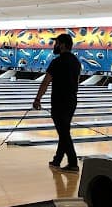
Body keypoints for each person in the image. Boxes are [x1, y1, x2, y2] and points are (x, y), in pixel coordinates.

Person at [32, 33, 81, 172]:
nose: (55, 45)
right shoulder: (76, 62)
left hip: (59, 102)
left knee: (64, 133)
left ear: (63, 45)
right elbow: (76, 82)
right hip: (71, 101)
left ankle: (73, 163)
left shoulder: (57, 62)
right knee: (63, 131)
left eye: (57, 43)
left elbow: (46, 81)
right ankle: (57, 160)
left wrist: (37, 99)